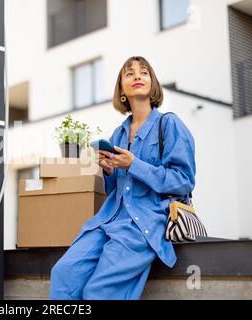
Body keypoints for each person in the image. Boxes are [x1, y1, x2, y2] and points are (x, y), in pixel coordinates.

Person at [50, 56, 196, 300]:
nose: (137, 76)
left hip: (145, 223)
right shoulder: (118, 133)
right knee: (63, 274)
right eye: (129, 74)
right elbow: (118, 191)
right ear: (122, 90)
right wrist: (109, 170)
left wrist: (134, 165)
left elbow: (183, 180)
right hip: (108, 221)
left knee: (98, 292)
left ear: (153, 84)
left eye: (144, 72)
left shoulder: (169, 124)